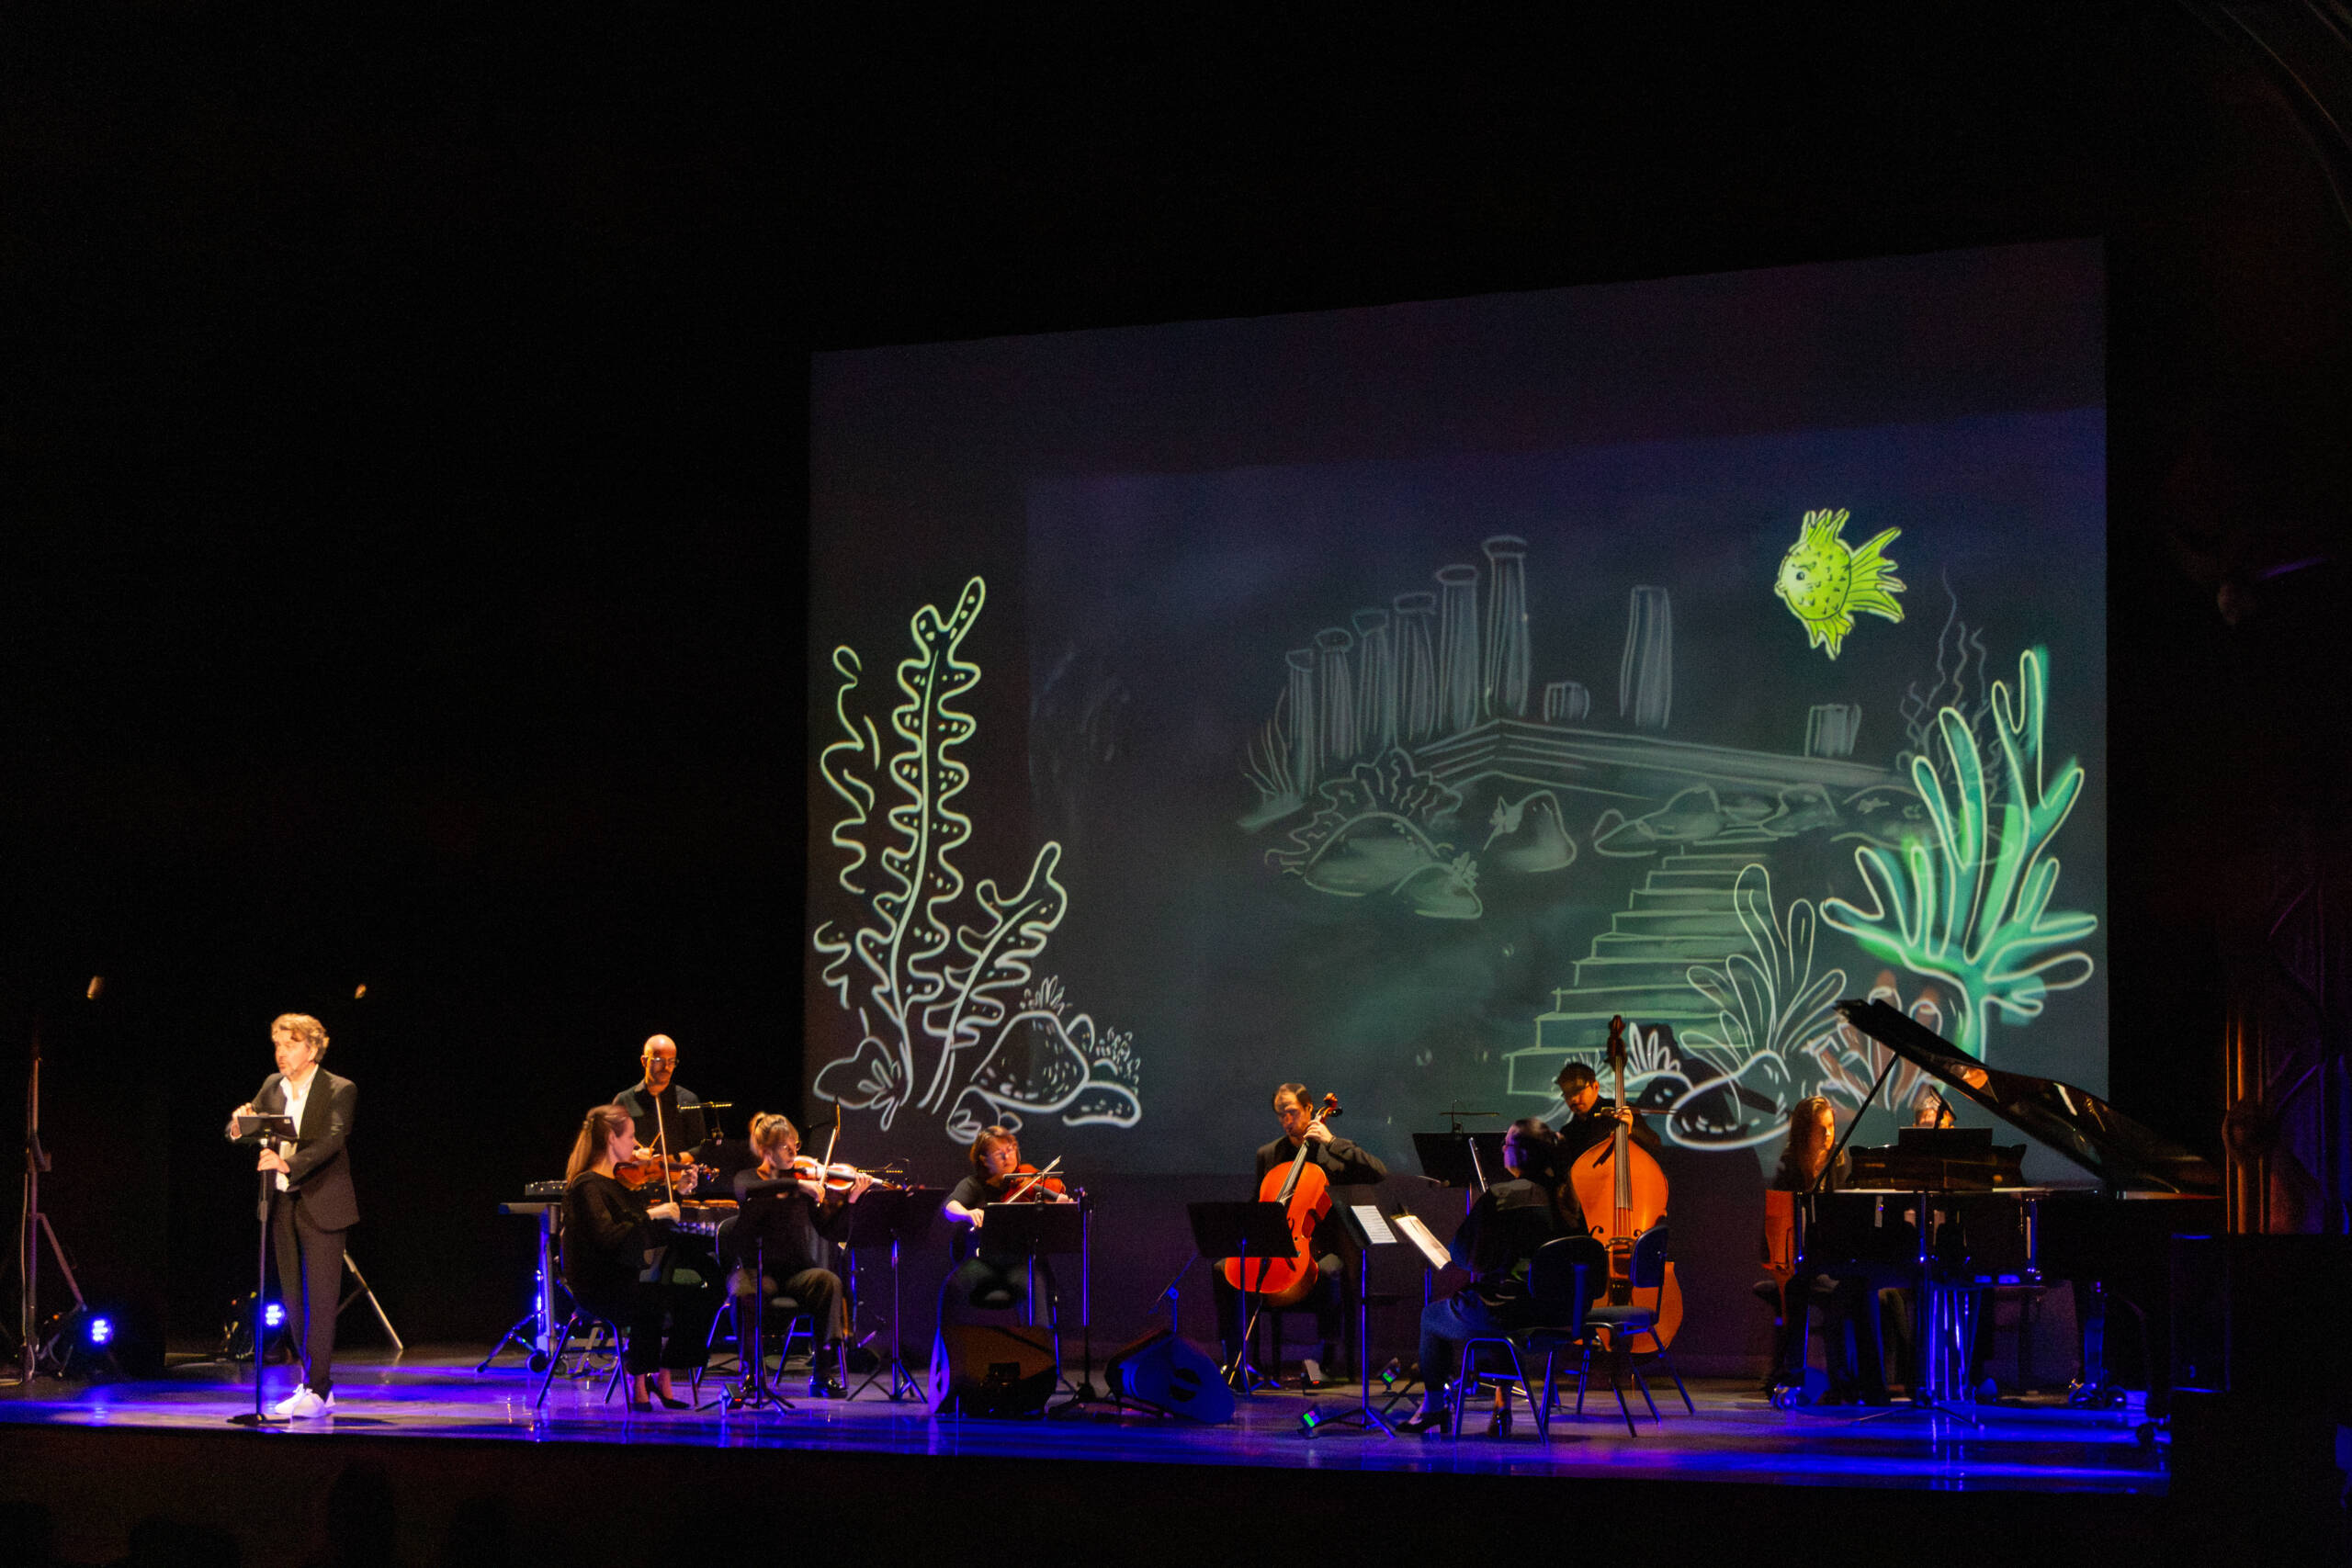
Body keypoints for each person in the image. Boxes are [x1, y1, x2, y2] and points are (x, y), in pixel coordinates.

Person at [223, 1013, 356, 1420]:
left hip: (322, 1202)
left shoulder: (339, 1088)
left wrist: (289, 1164)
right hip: (282, 1203)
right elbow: (250, 1130)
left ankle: (320, 1387)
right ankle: (310, 1384)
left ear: (312, 1048)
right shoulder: (272, 1086)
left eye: (290, 1045)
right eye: (278, 1045)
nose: (281, 1053)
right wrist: (238, 1126)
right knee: (294, 1300)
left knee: (320, 1300)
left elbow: (333, 1139)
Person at [1213, 1084, 1388, 1389]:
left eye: (1292, 1112)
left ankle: (1325, 1362)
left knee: (1332, 1272)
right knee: (1223, 1270)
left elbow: (1378, 1172)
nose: (1286, 1120)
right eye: (1280, 1114)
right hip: (1274, 1245)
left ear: (1309, 1109)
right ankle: (1235, 1360)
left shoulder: (1333, 1150)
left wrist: (1331, 1140)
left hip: (1320, 1248)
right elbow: (1260, 1203)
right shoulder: (1269, 1154)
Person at [1401, 1119, 1569, 1434]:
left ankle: (1434, 1406)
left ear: (1522, 1153)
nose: (1502, 1148)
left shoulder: (1502, 1196)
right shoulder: (1565, 1196)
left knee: (1434, 1316)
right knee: (1496, 1301)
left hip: (1510, 1312)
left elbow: (1464, 1256)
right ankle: (1501, 1407)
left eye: (1507, 1143)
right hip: (1556, 1313)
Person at [560, 1103, 718, 1411]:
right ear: (611, 1138)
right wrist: (653, 1214)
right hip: (599, 1285)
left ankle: (665, 1371)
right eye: (630, 1137)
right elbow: (609, 1237)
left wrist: (678, 1192)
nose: (636, 1145)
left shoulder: (620, 1184)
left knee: (703, 1290)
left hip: (627, 1278)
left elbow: (647, 1231)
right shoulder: (586, 1186)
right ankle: (641, 1381)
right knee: (653, 1300)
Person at [727, 1112, 871, 1397]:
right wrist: (798, 1185)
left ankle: (822, 1375)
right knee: (744, 1288)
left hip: (795, 1274)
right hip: (758, 1272)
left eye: (795, 1144)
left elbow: (830, 1229)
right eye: (785, 1146)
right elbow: (748, 1190)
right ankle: (752, 1374)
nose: (794, 1151)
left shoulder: (804, 1185)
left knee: (827, 1281)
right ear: (766, 1151)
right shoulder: (749, 1178)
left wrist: (851, 1202)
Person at [1761, 1095, 1892, 1404]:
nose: (1829, 1135)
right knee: (1848, 1291)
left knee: (1864, 1287)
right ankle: (1843, 1381)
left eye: (1831, 1127)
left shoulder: (1840, 1162)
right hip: (1799, 1261)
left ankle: (1866, 1386)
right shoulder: (1789, 1166)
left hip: (1833, 1257)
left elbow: (1846, 1219)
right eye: (1821, 1129)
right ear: (1804, 1132)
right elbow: (1780, 1225)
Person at [614, 1034, 713, 1171]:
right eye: (659, 1060)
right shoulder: (623, 1100)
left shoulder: (688, 1100)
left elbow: (699, 1146)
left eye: (671, 1061)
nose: (666, 1067)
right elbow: (612, 1144)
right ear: (644, 1061)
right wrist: (635, 1154)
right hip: (635, 1177)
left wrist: (667, 1162)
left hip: (676, 1178)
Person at [1554, 1059, 1659, 1163]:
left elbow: (1654, 1145)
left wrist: (1632, 1132)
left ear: (1595, 1086)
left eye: (1578, 1091)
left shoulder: (1621, 1110)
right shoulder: (1568, 1132)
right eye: (1567, 1094)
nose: (1573, 1099)